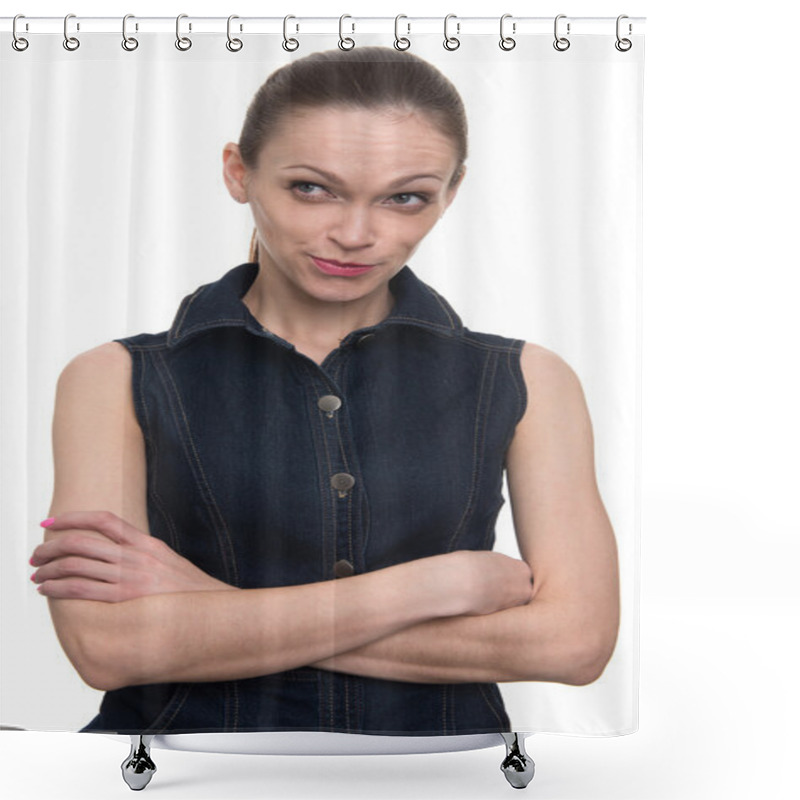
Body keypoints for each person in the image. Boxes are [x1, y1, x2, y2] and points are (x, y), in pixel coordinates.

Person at [29, 46, 620, 736]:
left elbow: (575, 646)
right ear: (238, 172)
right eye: (313, 188)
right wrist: (431, 588)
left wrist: (206, 604)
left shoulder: (528, 379)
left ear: (450, 194)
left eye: (406, 197)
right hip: (179, 774)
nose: (356, 235)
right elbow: (109, 649)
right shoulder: (111, 378)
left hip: (439, 780)